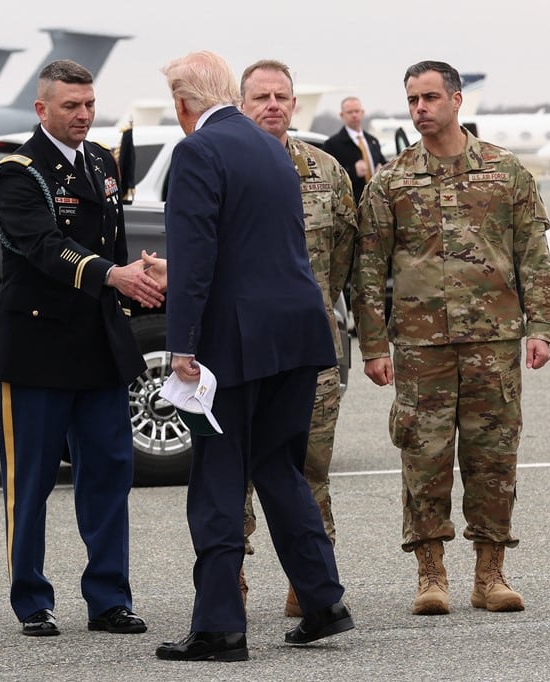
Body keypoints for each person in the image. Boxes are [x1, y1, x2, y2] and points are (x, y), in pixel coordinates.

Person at [155, 50, 353, 663]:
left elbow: (194, 257)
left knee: (218, 475)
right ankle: (323, 601)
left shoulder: (197, 151)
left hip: (234, 342)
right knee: (278, 468)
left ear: (184, 105)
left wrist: (181, 345)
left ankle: (220, 627)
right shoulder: (273, 148)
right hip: (297, 333)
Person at [352, 60, 550, 617]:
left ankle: (490, 573)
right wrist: (373, 345)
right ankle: (431, 573)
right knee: (423, 458)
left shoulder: (504, 172)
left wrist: (542, 326)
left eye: (429, 98)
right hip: (420, 348)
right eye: (412, 100)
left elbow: (533, 256)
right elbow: (369, 269)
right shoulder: (392, 179)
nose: (420, 108)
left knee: (493, 457)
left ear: (456, 100)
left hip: (494, 341)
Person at [0, 59, 164, 638]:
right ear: (42, 110)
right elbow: (40, 246)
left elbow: (109, 237)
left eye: (89, 105)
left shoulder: (100, 161)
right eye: (71, 106)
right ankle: (32, 600)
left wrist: (136, 271)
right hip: (38, 346)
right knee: (31, 480)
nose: (84, 115)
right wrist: (111, 275)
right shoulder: (19, 172)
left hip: (98, 346)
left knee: (110, 473)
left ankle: (109, 597)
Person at [236, 59, 358, 618]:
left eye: (282, 96)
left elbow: (344, 265)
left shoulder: (327, 172)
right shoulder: (222, 164)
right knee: (232, 472)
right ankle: (228, 575)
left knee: (311, 470)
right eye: (261, 96)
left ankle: (309, 583)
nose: (273, 105)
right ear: (241, 104)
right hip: (239, 353)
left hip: (313, 354)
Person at [322, 96, 388, 204]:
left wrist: (383, 170)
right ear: (342, 115)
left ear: (362, 113)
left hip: (377, 203)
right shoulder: (332, 144)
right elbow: (328, 178)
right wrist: (353, 172)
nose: (354, 115)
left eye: (357, 111)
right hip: (351, 206)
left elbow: (383, 162)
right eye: (349, 112)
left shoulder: (372, 141)